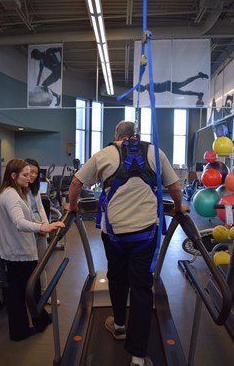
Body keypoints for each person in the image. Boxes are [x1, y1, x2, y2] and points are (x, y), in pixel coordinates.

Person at [66, 121, 188, 366]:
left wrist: (74, 206)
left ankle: (119, 324)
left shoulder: (104, 154)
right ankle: (138, 356)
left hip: (114, 235)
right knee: (142, 289)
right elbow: (175, 186)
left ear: (116, 136)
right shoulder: (155, 151)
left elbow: (76, 183)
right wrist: (176, 208)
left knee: (117, 277)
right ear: (136, 136)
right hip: (144, 234)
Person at [0, 158, 64, 341]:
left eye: (30, 174)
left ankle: (37, 322)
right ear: (13, 175)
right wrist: (43, 228)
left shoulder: (16, 192)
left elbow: (23, 218)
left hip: (19, 250)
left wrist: (39, 223)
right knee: (22, 293)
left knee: (25, 292)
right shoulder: (10, 195)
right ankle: (22, 331)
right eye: (25, 175)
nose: (30, 178)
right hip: (18, 253)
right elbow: (18, 222)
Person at [25, 158, 60, 305]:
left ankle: (45, 294)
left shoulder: (35, 189)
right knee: (31, 265)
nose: (32, 176)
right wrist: (39, 226)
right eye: (30, 172)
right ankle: (30, 296)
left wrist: (45, 225)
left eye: (35, 173)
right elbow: (26, 213)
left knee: (43, 263)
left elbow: (39, 208)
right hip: (29, 230)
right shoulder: (20, 190)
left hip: (40, 230)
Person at [140, 72, 209, 106]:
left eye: (140, 91)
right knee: (184, 88)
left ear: (141, 88)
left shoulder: (148, 87)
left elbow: (152, 96)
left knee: (184, 84)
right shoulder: (148, 87)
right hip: (168, 87)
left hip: (168, 86)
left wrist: (152, 104)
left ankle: (199, 76)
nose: (141, 92)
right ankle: (198, 93)